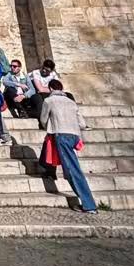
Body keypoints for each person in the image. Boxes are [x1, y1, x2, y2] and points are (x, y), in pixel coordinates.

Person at [40, 79, 97, 214]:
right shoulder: (71, 102)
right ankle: (47, 167)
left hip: (61, 135)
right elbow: (82, 124)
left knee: (72, 170)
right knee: (68, 164)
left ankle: (89, 205)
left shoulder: (49, 101)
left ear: (51, 89)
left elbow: (43, 120)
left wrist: (49, 125)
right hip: (74, 136)